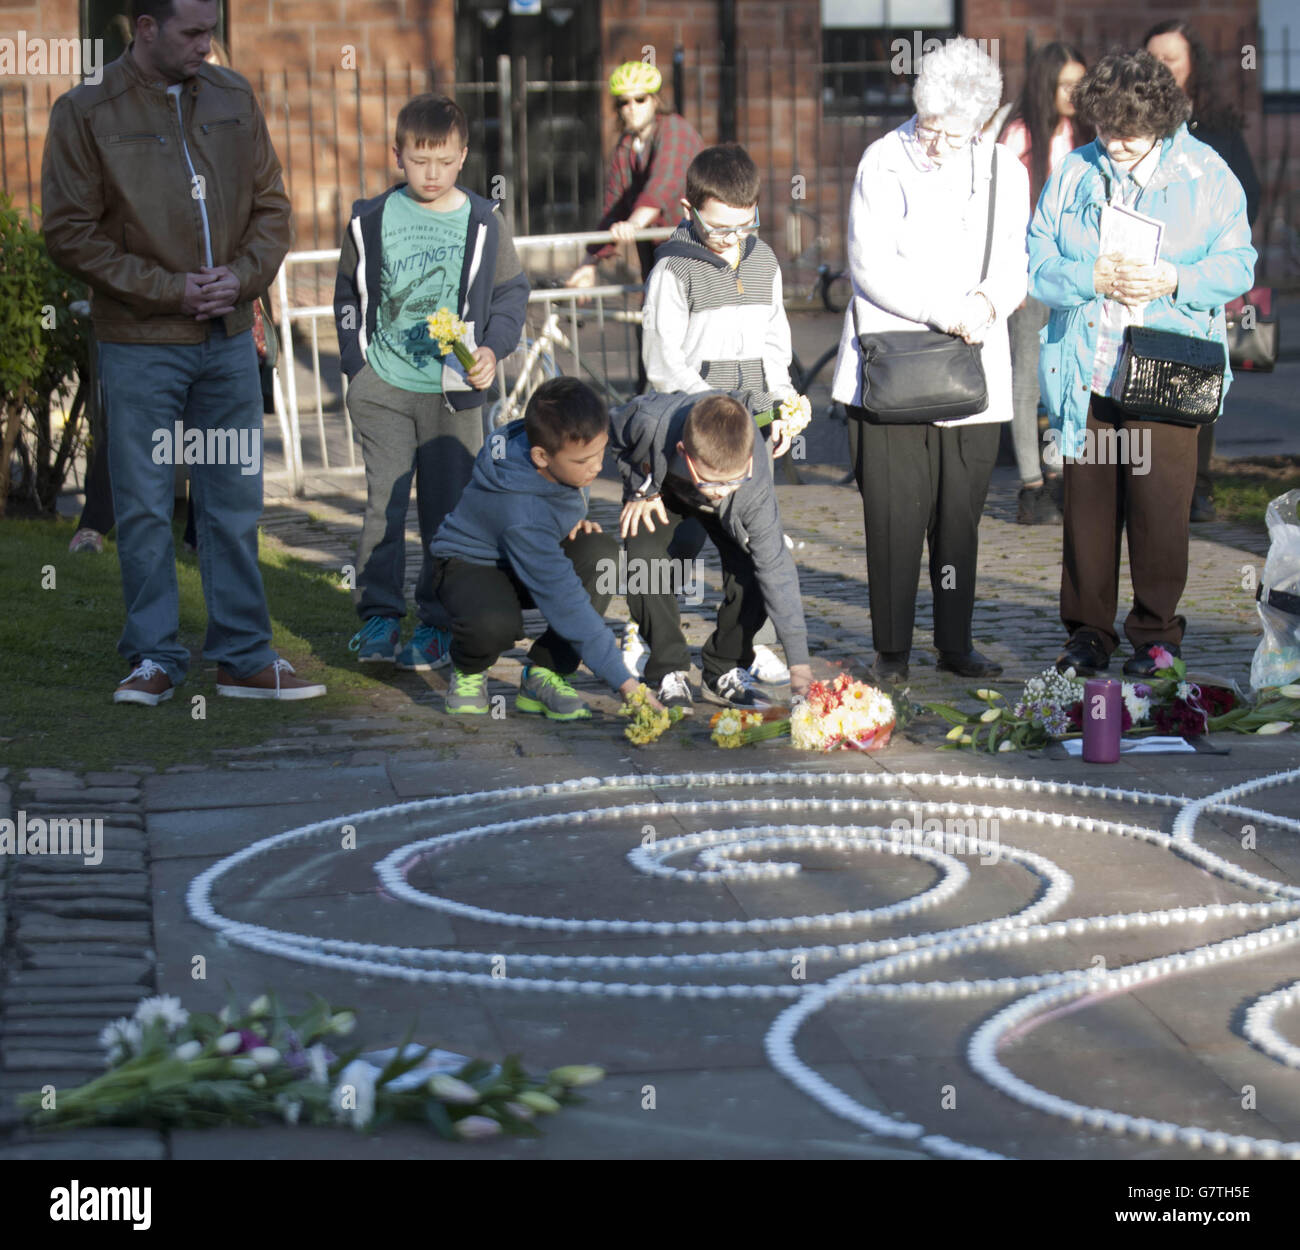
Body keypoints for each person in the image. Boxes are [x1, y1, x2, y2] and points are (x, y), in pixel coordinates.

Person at [41, 0, 325, 705]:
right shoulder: (85, 111)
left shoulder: (233, 95)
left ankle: (243, 656)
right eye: (193, 32)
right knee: (141, 506)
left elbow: (273, 209)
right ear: (145, 28)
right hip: (140, 344)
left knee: (233, 503)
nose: (209, 44)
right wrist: (170, 290)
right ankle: (153, 658)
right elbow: (70, 233)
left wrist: (242, 277)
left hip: (228, 340)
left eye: (212, 28)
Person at [1030, 51, 1255, 678]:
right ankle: (1087, 634)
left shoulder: (1207, 174)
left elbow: (1239, 264)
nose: (1116, 146)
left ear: (1161, 119)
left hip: (1166, 373)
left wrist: (1173, 278)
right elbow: (1038, 260)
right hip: (1087, 370)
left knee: (1160, 512)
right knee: (1090, 511)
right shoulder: (1076, 171)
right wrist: (1088, 275)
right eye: (1104, 130)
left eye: (1128, 134)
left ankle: (1157, 636)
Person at [830, 37, 1029, 684]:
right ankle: (891, 649)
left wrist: (986, 302)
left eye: (955, 132)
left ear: (982, 124)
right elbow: (869, 266)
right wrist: (943, 310)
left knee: (959, 518)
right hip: (894, 366)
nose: (937, 142)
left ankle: (955, 640)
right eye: (929, 127)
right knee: (893, 515)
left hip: (973, 368)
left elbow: (1014, 263)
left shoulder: (1006, 169)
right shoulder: (882, 161)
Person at [334, 94, 529, 673]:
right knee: (384, 506)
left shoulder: (484, 222)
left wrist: (493, 349)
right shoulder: (369, 220)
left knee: (448, 516)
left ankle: (438, 624)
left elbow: (511, 295)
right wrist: (356, 366)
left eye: (444, 161)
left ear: (463, 157)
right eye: (420, 161)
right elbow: (348, 295)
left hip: (455, 392)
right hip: (384, 386)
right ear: (398, 155)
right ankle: (379, 615)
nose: (432, 173)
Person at [640, 141, 798, 687]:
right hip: (693, 430)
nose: (732, 240)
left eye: (744, 226)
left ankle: (747, 647)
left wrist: (780, 402)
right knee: (678, 541)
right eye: (719, 229)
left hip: (751, 431)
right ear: (688, 212)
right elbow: (663, 363)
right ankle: (646, 636)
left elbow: (775, 342)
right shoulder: (673, 270)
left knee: (756, 541)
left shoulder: (765, 260)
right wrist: (714, 413)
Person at [430, 377, 660, 719]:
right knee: (494, 626)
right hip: (470, 566)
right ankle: (468, 668)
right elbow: (565, 601)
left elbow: (551, 505)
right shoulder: (522, 511)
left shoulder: (543, 446)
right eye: (583, 462)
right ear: (541, 456)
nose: (597, 468)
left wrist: (565, 520)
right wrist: (627, 685)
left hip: (528, 550)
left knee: (600, 555)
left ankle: (545, 673)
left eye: (600, 453)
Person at [611, 390, 812, 711]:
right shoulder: (649, 421)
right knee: (644, 563)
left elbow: (777, 567)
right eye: (712, 484)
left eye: (730, 482)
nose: (719, 494)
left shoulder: (751, 481)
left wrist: (799, 666)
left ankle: (723, 668)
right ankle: (667, 669)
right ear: (683, 452)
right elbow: (615, 432)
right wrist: (638, 487)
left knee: (756, 570)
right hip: (662, 491)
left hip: (731, 493)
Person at [1145, 19, 1262, 524]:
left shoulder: (1218, 127)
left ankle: (1199, 485)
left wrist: (1213, 253)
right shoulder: (1136, 124)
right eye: (1153, 58)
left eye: (1171, 58)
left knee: (1201, 377)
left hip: (1201, 281)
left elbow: (1247, 194)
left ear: (1193, 63)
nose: (1161, 68)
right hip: (1144, 276)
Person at [997, 42, 1092, 526]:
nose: (1074, 93)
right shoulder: (1018, 137)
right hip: (1031, 276)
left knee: (1069, 377)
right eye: (1065, 85)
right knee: (1027, 379)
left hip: (1076, 277)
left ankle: (1058, 473)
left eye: (1080, 83)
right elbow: (1007, 217)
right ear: (1045, 86)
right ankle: (1030, 484)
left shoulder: (1085, 136)